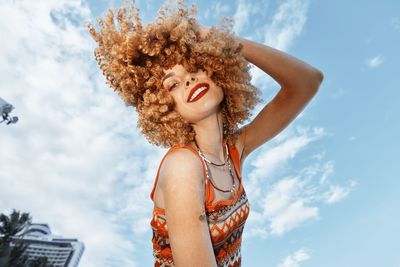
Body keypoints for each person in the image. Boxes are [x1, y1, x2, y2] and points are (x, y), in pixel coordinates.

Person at [88, 1, 323, 266]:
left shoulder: (234, 150)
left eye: (195, 67)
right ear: (164, 106)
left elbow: (307, 82)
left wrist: (222, 40)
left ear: (217, 69)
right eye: (173, 84)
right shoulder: (183, 166)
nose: (188, 80)